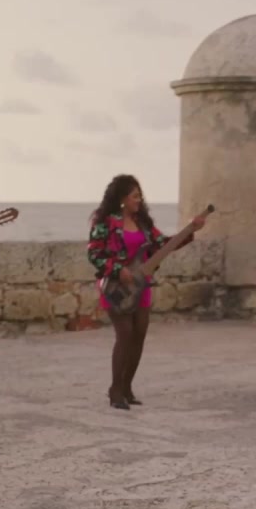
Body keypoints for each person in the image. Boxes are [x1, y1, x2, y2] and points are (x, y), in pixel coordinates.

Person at [87, 174, 205, 410]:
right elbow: (94, 254)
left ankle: (127, 387)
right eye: (135, 196)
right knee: (125, 333)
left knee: (139, 334)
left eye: (140, 196)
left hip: (141, 286)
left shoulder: (143, 223)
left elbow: (164, 245)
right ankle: (115, 389)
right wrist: (118, 270)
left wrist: (191, 230)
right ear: (122, 198)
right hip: (116, 287)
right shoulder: (105, 223)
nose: (139, 200)